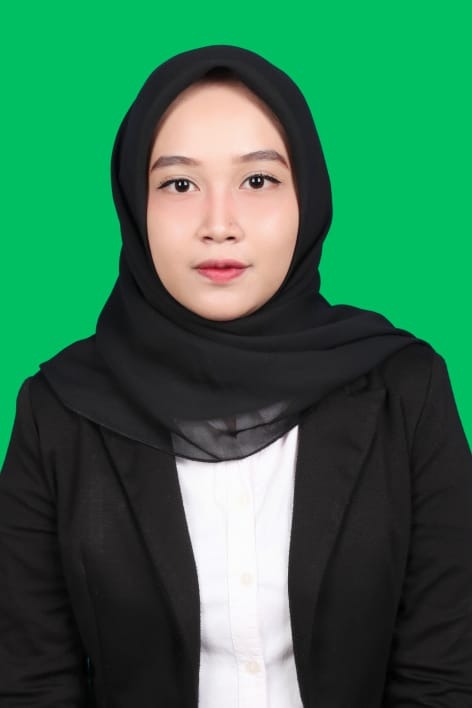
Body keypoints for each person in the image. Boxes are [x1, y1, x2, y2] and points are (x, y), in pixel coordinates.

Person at [0, 44, 471, 708]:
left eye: (257, 181)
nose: (219, 226)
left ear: (308, 196)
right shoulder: (59, 409)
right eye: (179, 185)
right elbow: (31, 681)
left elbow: (443, 672)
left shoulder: (405, 388)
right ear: (134, 205)